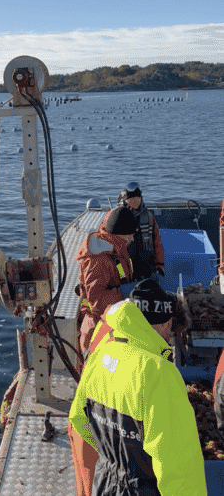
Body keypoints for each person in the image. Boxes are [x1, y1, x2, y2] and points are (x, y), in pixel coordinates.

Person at [69, 279, 207, 496]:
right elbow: (179, 472)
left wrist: (115, 460)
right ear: (162, 323)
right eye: (169, 324)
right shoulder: (159, 374)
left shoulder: (101, 355)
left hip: (106, 483)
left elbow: (78, 418)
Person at [76, 206, 138, 357]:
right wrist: (125, 294)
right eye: (130, 235)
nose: (132, 239)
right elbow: (97, 301)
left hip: (111, 319)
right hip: (98, 330)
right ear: (120, 235)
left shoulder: (114, 248)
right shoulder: (98, 260)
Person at [118, 182, 164, 281]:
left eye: (137, 198)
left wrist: (159, 264)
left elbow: (157, 242)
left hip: (146, 263)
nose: (135, 201)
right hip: (124, 265)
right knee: (126, 289)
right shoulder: (117, 217)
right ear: (125, 201)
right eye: (131, 199)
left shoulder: (148, 216)